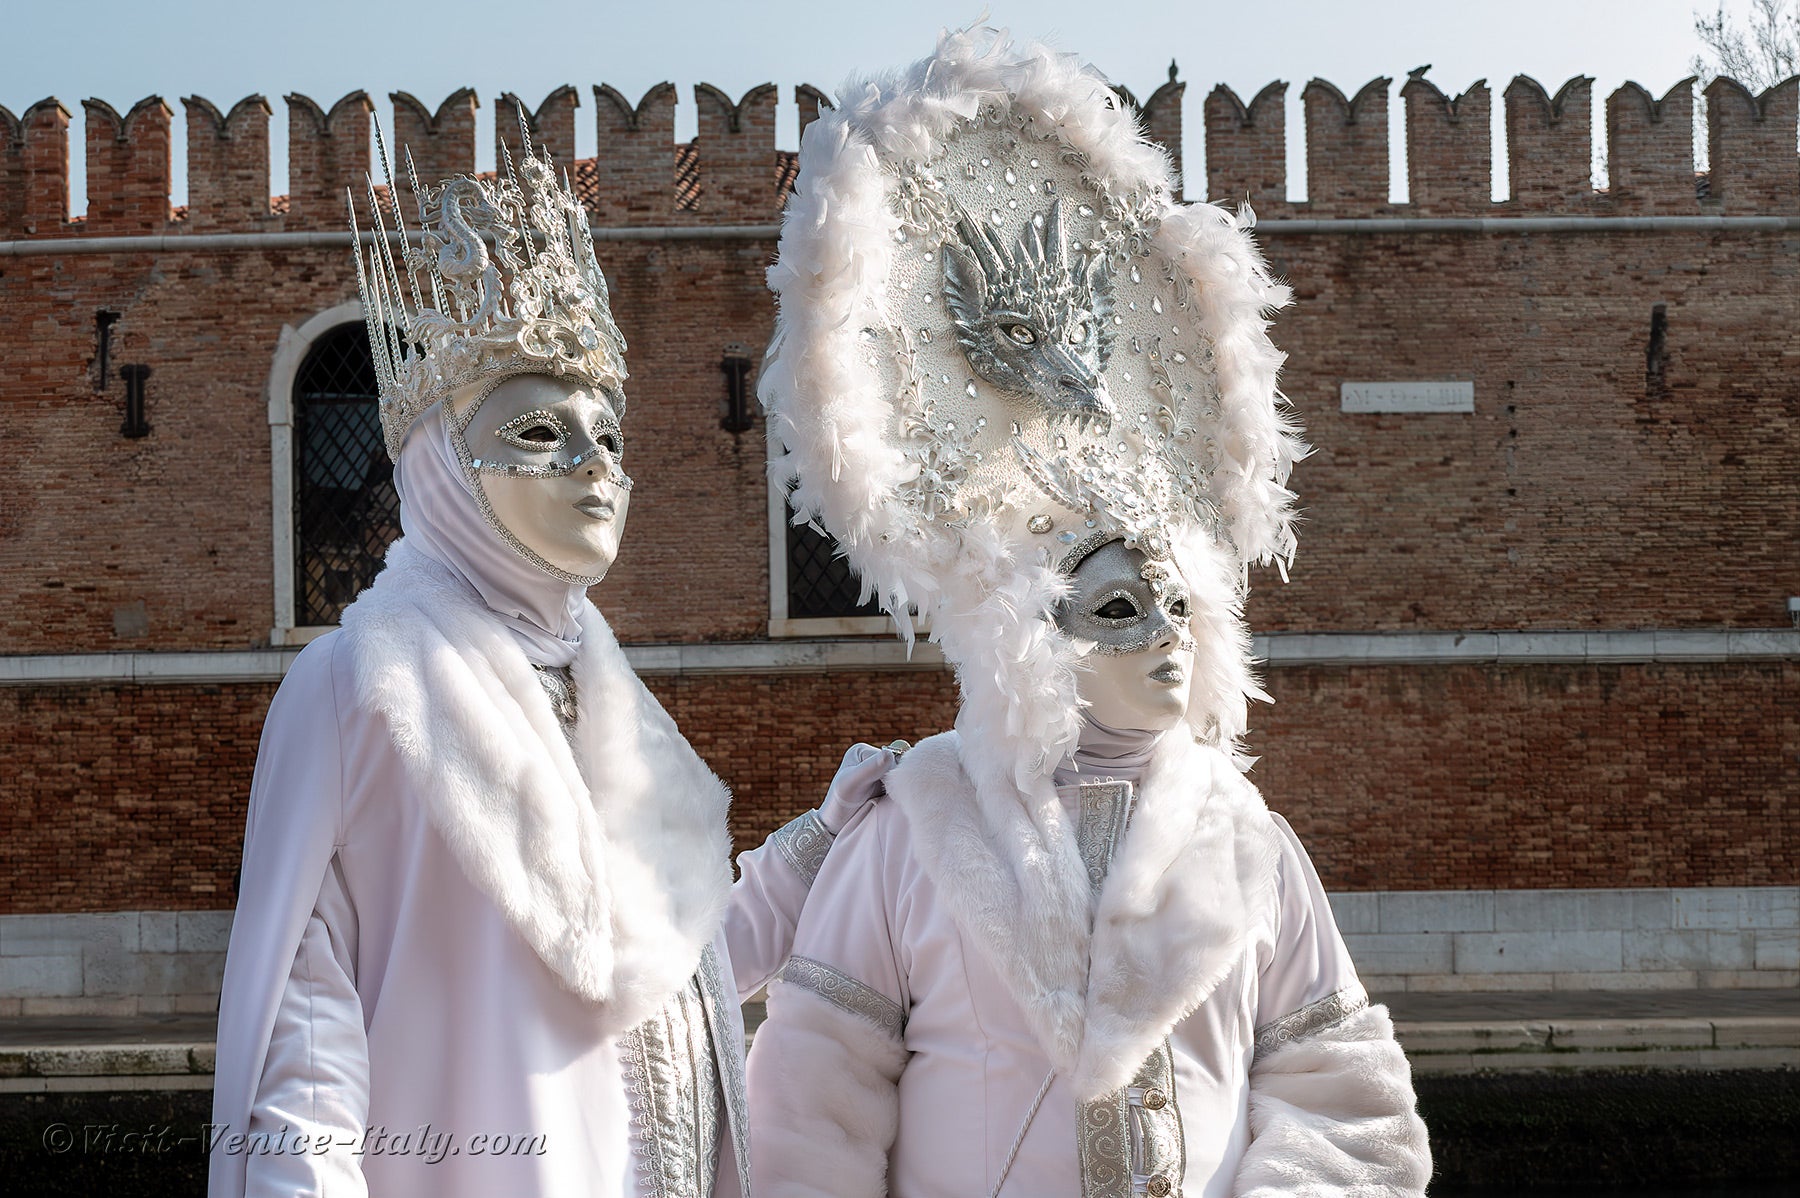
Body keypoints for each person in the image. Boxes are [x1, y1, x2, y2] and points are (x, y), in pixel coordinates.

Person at [747, 27, 1432, 1197]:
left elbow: (1343, 1099)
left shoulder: (1250, 842)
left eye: (1176, 601)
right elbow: (809, 1114)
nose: (1168, 632)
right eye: (1118, 606)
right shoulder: (914, 831)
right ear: (1036, 632)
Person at [208, 137, 891, 1198]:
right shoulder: (359, 690)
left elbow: (675, 968)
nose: (596, 467)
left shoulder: (622, 701)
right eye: (538, 432)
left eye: (609, 436)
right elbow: (304, 1044)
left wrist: (823, 841)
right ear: (440, 462)